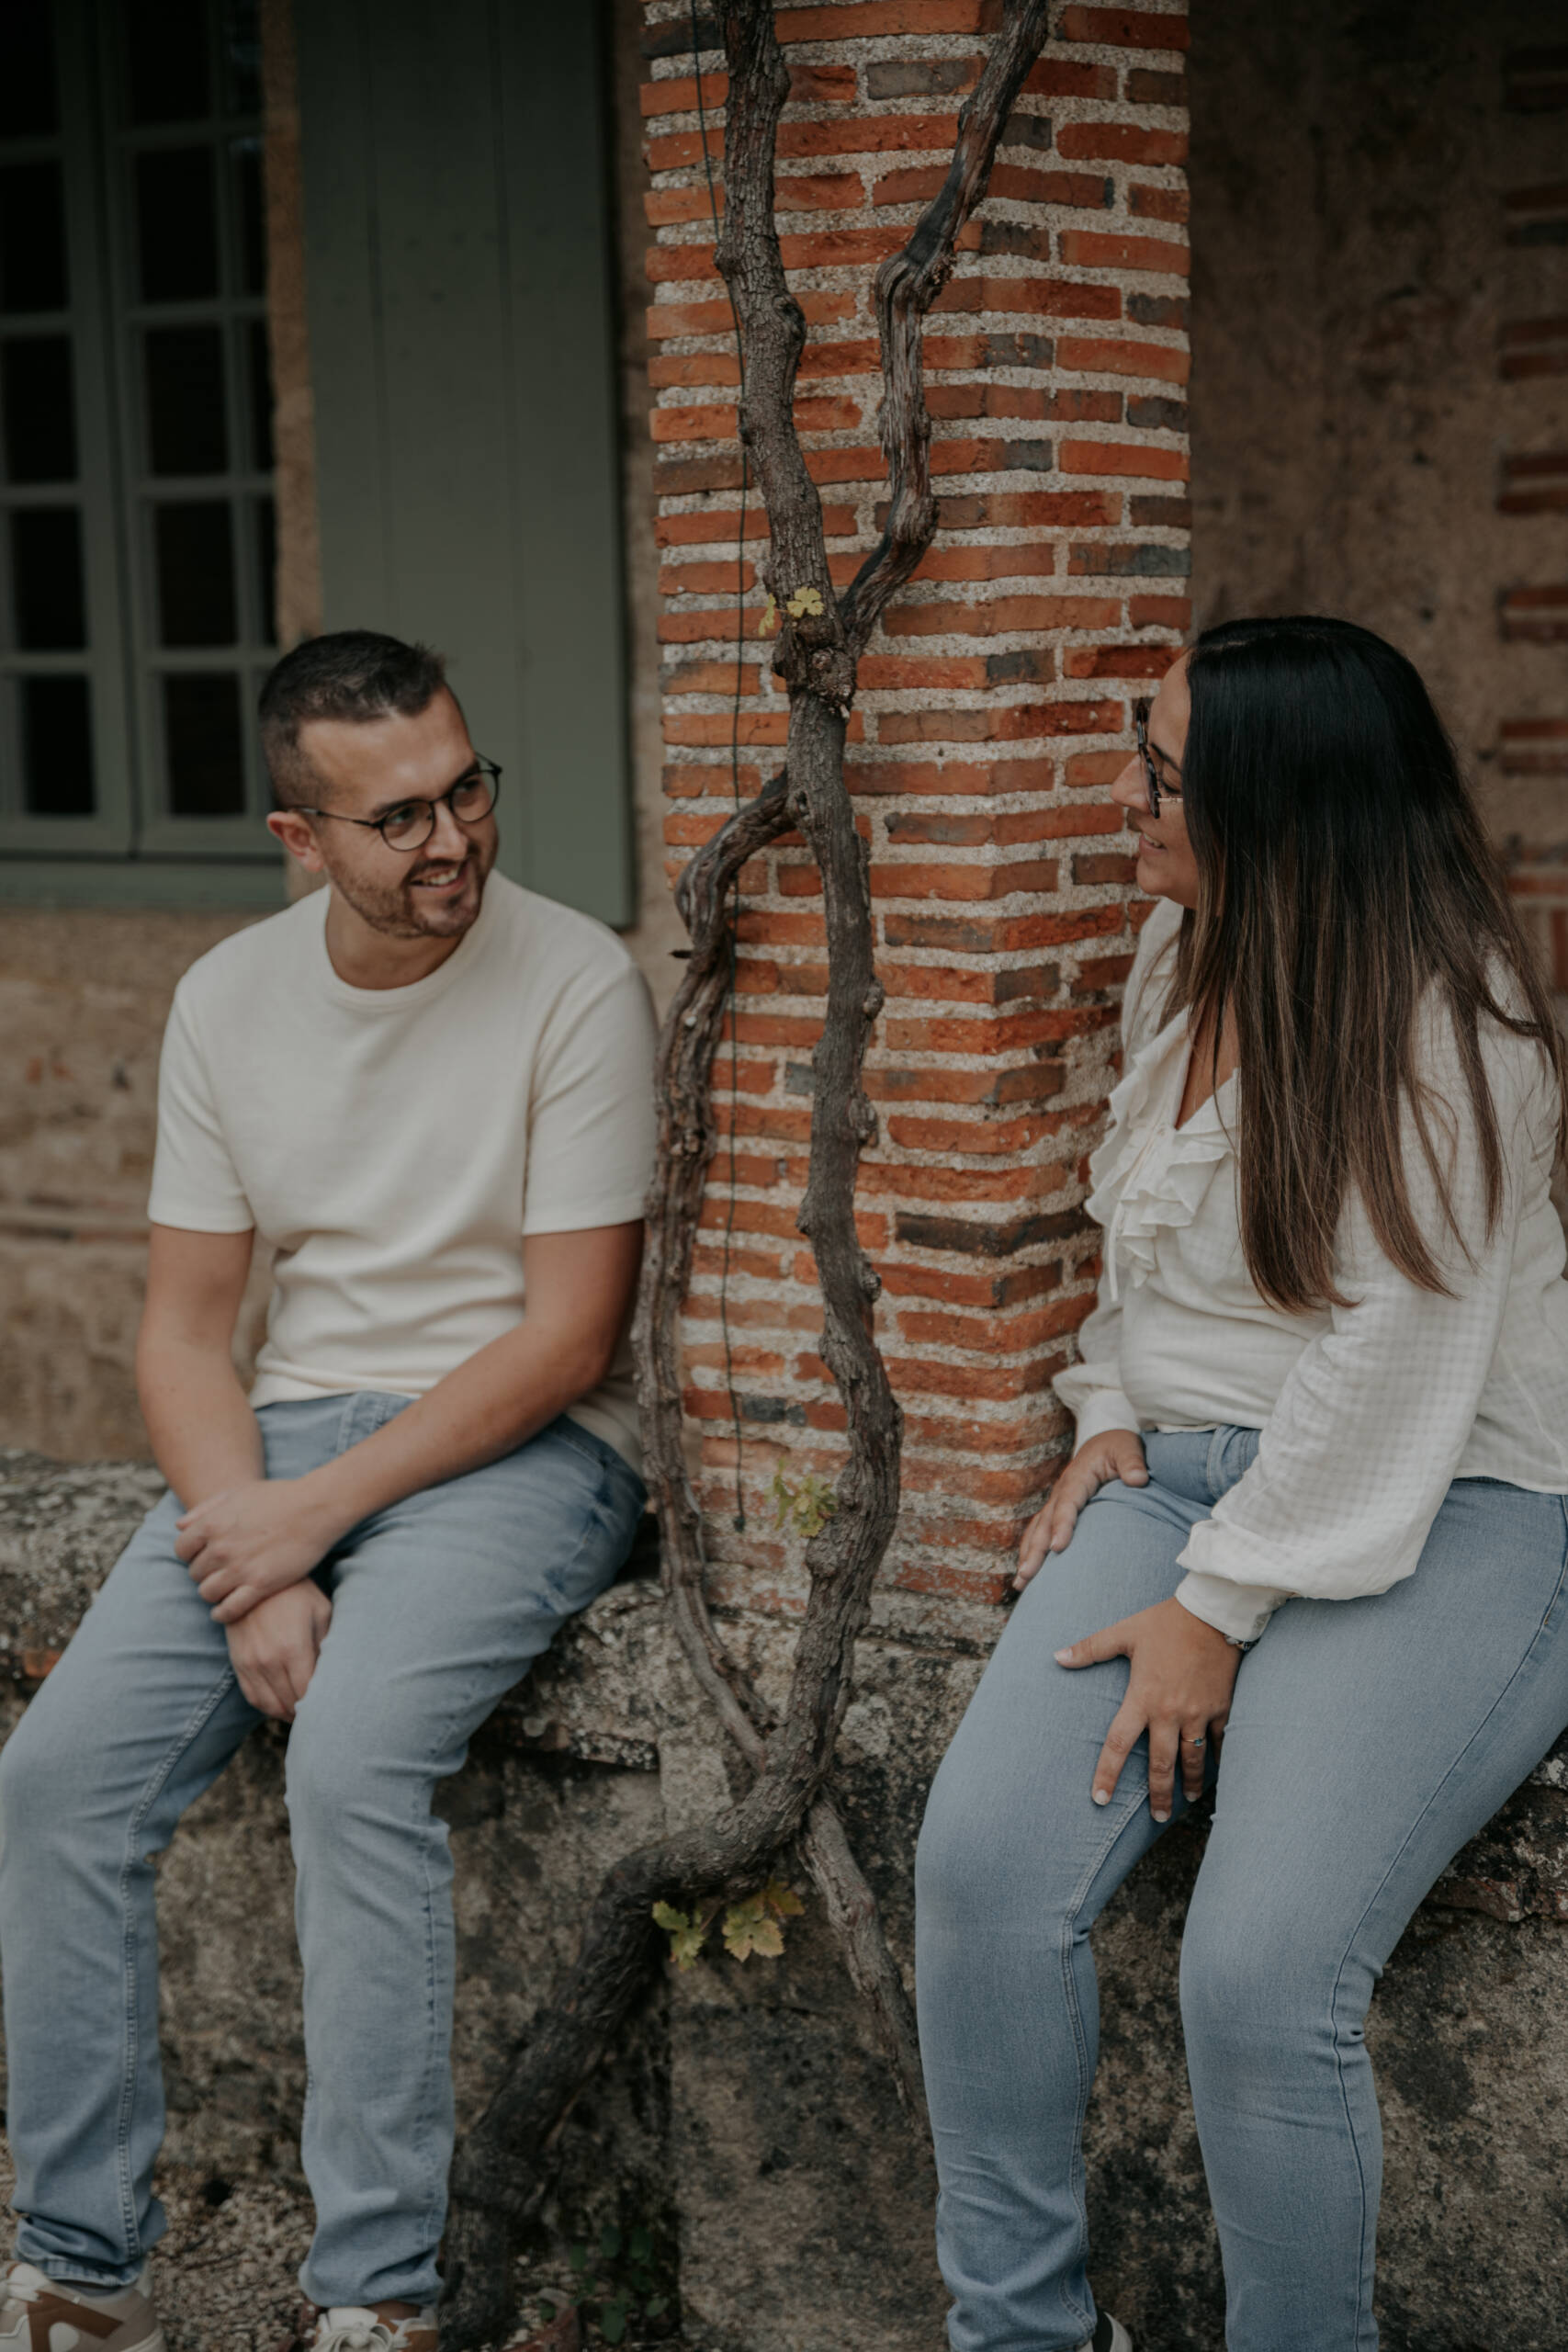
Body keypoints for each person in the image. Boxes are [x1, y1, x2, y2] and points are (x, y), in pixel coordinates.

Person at [914, 616, 1568, 2352]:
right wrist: (1110, 1403)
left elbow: (1398, 1360)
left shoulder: (1457, 1027)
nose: (1126, 800)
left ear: (1284, 809)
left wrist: (1214, 1605)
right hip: (1183, 1484)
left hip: (1449, 1502)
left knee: (1262, 1975)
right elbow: (1146, 1250)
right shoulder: (1183, 954)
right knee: (982, 1878)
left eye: (1160, 777)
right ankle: (1021, 2335)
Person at [0, 632, 658, 2352]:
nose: (452, 841)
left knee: (356, 1759)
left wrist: (305, 1525)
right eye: (398, 819)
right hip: (288, 1444)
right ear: (304, 840)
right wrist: (260, 1555)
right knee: (56, 1781)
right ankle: (84, 2272)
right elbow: (182, 1338)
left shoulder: (577, 981)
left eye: (466, 790)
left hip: (526, 1450)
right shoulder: (230, 996)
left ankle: (376, 2298)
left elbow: (574, 1335)